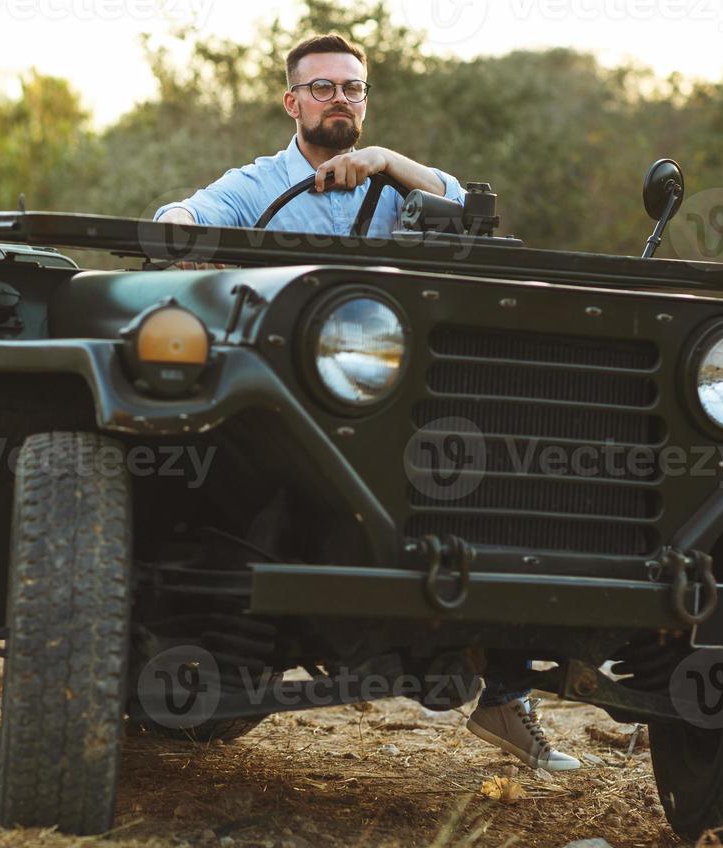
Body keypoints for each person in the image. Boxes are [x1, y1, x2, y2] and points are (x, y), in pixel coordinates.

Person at [156, 32, 580, 772]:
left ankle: (505, 694)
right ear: (292, 102)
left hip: (416, 397)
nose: (338, 100)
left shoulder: (395, 184)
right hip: (307, 403)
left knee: (508, 473)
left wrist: (386, 162)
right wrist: (183, 233)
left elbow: (466, 207)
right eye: (321, 88)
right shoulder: (258, 184)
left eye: (352, 88)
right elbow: (183, 213)